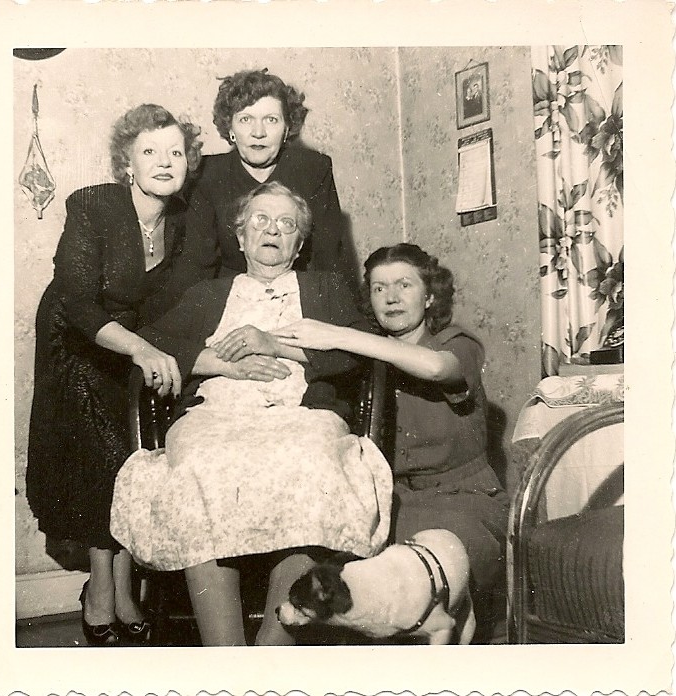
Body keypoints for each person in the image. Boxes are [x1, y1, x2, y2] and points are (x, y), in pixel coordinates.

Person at [110, 182, 392, 646]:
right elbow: (148, 345)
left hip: (301, 414)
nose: (272, 231)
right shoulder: (208, 293)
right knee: (199, 467)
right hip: (216, 413)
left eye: (286, 224)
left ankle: (272, 646)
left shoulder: (325, 288)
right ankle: (226, 654)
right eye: (260, 221)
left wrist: (273, 343)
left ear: (299, 245)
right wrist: (218, 363)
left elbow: (361, 352)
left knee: (312, 465)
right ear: (240, 238)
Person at [25, 104, 210, 646]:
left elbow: (177, 303)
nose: (164, 161)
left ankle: (124, 586)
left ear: (188, 164)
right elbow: (79, 303)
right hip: (76, 338)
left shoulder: (184, 220)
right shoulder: (94, 204)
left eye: (175, 152)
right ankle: (104, 590)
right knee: (104, 453)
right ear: (127, 163)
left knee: (137, 450)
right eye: (149, 151)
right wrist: (142, 350)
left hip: (133, 344)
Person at [274, 243, 510, 641]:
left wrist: (338, 335)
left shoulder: (457, 343)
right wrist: (266, 342)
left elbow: (435, 368)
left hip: (465, 503)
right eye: (379, 288)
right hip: (392, 504)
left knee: (424, 583)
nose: (391, 297)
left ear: (430, 296)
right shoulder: (363, 356)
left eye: (404, 285)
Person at [185, 68, 344, 277]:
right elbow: (197, 267)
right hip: (232, 288)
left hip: (299, 288)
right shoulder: (207, 174)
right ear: (230, 128)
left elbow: (329, 262)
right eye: (245, 119)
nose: (258, 133)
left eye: (271, 120)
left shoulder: (314, 169)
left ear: (287, 128)